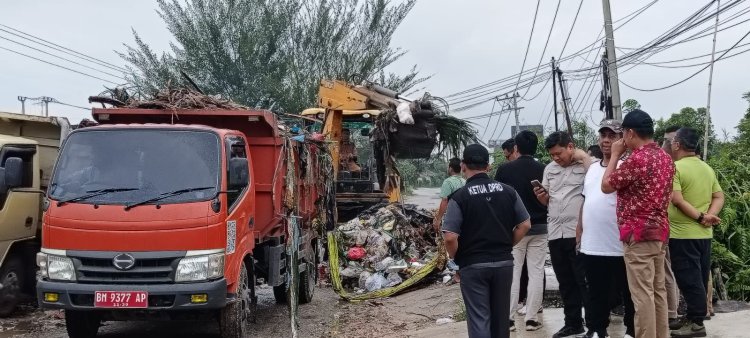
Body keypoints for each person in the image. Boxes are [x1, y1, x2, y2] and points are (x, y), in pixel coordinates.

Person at [443, 144, 531, 338]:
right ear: (488, 166)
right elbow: (525, 225)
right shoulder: (508, 191)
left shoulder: (459, 197)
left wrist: (457, 258)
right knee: (501, 320)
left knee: (479, 319)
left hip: (473, 266)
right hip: (504, 263)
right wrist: (507, 245)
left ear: (464, 166)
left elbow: (450, 237)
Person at [602, 109, 674, 338]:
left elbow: (606, 185)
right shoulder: (665, 158)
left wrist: (614, 155)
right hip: (659, 232)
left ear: (630, 133)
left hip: (638, 234)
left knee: (642, 295)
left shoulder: (637, 160)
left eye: (623, 133)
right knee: (657, 291)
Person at [577, 120, 635, 338]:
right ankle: (597, 329)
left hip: (620, 243)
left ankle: (631, 329)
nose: (606, 140)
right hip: (593, 244)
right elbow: (587, 201)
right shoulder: (592, 169)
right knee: (595, 290)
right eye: (603, 135)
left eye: (612, 136)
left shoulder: (628, 166)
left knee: (628, 291)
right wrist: (579, 232)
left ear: (623, 138)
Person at [534, 131, 592, 338]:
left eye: (559, 153)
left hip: (578, 233)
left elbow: (596, 184)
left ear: (570, 147)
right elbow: (548, 201)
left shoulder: (587, 165)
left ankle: (594, 324)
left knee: (584, 281)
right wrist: (542, 197)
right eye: (552, 155)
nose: (556, 158)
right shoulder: (549, 169)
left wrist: (584, 157)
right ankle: (573, 323)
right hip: (556, 232)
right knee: (565, 282)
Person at [668, 127, 724, 337]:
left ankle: (697, 323)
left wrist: (702, 217)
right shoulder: (706, 168)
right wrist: (709, 215)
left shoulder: (676, 168)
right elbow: (719, 196)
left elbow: (677, 200)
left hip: (683, 235)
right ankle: (692, 316)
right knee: (698, 278)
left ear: (678, 144)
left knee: (688, 279)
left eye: (673, 141)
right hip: (704, 235)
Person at [494, 130, 547, 332]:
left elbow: (499, 200)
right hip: (540, 227)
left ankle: (508, 319)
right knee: (536, 272)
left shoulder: (504, 170)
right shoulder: (544, 169)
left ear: (516, 148)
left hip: (515, 228)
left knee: (513, 272)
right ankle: (532, 318)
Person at [662, 125, 685, 330]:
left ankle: (671, 312)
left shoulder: (674, 167)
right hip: (682, 227)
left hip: (672, 225)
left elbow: (676, 199)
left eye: (668, 142)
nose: (665, 145)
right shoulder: (674, 164)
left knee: (666, 269)